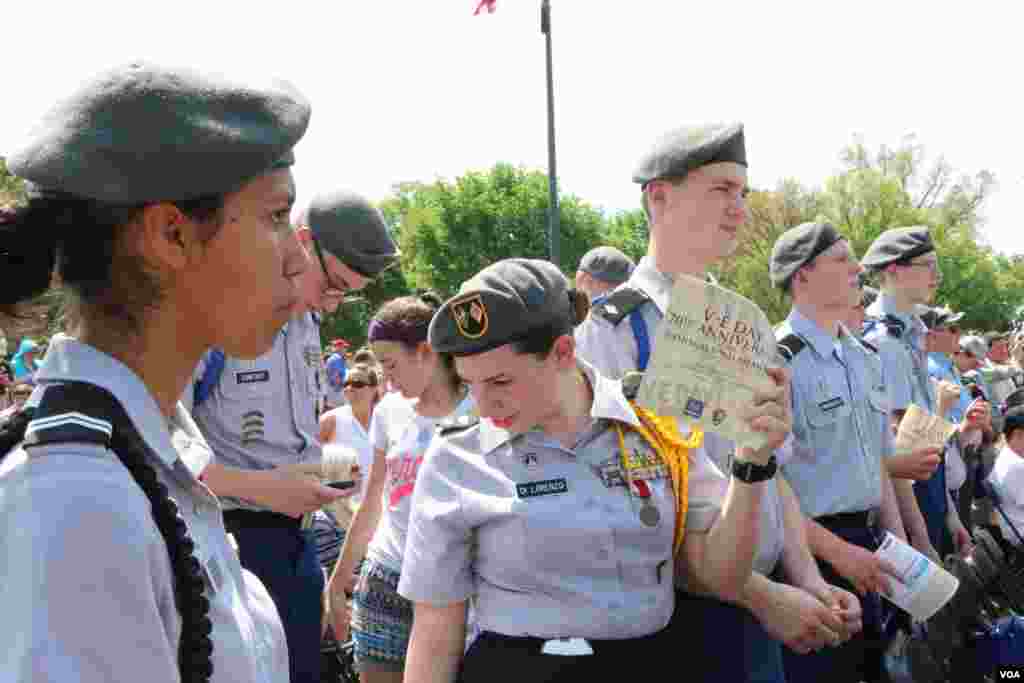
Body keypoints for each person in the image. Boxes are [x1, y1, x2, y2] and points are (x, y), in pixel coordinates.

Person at [0, 60, 312, 682]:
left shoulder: (144, 455)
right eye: (276, 218)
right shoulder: (76, 501)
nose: (299, 261)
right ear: (171, 235)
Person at [398, 258, 794, 683]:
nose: (482, 404)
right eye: (469, 383)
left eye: (500, 383)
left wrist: (752, 463)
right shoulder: (455, 460)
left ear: (563, 352)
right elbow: (436, 630)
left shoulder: (654, 427)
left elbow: (723, 575)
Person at [574, 123, 853, 681]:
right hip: (680, 621)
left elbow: (770, 471)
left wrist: (808, 577)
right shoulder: (615, 329)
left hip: (764, 609)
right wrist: (762, 597)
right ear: (660, 196)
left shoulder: (742, 325)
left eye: (743, 194)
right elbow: (625, 506)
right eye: (722, 190)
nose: (739, 210)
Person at [187, 189, 399, 683]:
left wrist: (324, 473)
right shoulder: (216, 315)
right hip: (230, 547)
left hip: (298, 547)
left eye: (348, 292)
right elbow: (160, 448)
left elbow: (285, 440)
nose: (334, 301)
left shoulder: (305, 323)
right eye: (333, 285)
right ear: (301, 242)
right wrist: (264, 488)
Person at [769, 222, 927, 681]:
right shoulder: (778, 360)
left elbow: (878, 466)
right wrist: (838, 554)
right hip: (809, 559)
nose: (857, 268)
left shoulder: (863, 356)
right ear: (802, 276)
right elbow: (767, 484)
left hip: (870, 548)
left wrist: (901, 549)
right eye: (841, 259)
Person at [326, 293, 475, 681]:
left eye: (391, 366)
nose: (386, 381)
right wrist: (340, 579)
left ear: (427, 351)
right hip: (386, 581)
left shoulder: (479, 410)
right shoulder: (390, 412)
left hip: (459, 586)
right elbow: (374, 498)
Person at [862, 227, 961, 560]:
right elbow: (899, 454)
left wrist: (949, 512)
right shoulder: (881, 342)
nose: (937, 275)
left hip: (928, 489)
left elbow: (927, 440)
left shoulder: (911, 333)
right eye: (927, 265)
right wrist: (917, 537)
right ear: (892, 270)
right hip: (904, 506)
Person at [320, 361, 382, 507]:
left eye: (357, 383)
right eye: (346, 383)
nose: (349, 388)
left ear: (374, 389)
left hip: (376, 512)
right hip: (339, 512)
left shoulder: (385, 422)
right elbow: (307, 460)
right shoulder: (331, 420)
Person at [325, 338, 351, 410]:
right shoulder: (337, 358)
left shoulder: (332, 358)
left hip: (333, 391)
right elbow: (337, 376)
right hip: (338, 391)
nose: (346, 349)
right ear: (338, 348)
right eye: (344, 347)